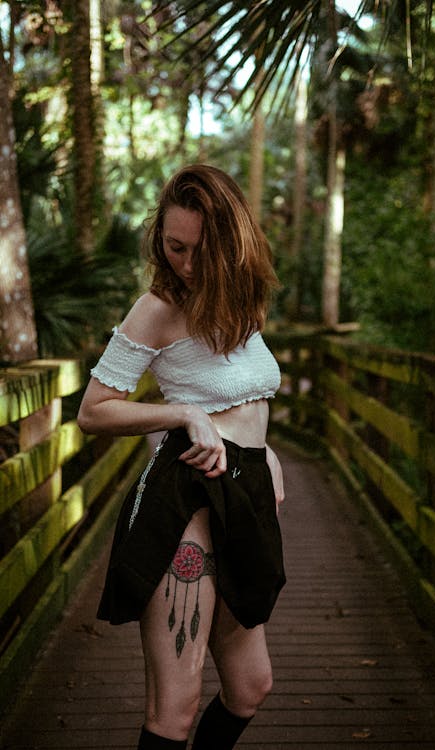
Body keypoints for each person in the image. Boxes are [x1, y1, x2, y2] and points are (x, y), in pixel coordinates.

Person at [77, 164, 286, 750]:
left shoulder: (244, 304)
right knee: (175, 709)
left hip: (244, 497)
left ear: (232, 245)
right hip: (187, 500)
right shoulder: (157, 307)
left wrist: (263, 452)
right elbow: (94, 411)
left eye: (203, 250)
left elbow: (243, 397)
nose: (187, 265)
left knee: (250, 686)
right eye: (175, 247)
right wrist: (182, 414)